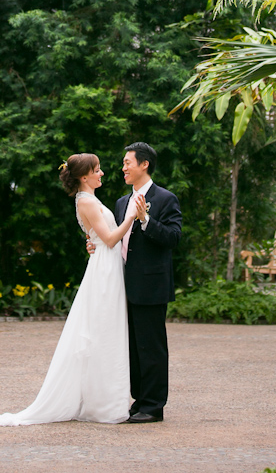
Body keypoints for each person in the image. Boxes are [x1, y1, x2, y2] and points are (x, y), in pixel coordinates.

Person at [0, 153, 142, 427]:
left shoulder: (88, 200)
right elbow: (108, 239)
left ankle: (104, 402)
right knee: (103, 330)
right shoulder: (86, 201)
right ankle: (104, 405)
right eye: (97, 170)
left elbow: (97, 236)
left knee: (106, 331)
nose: (102, 173)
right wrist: (131, 216)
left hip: (106, 268)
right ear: (85, 177)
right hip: (104, 271)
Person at [88, 141, 182, 424]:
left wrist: (146, 220)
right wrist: (94, 245)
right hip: (122, 285)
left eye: (128, 162)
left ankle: (153, 406)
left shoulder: (166, 199)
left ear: (145, 164)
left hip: (151, 286)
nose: (123, 168)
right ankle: (139, 400)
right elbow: (114, 238)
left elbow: (174, 238)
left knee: (151, 347)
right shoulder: (120, 202)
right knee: (131, 347)